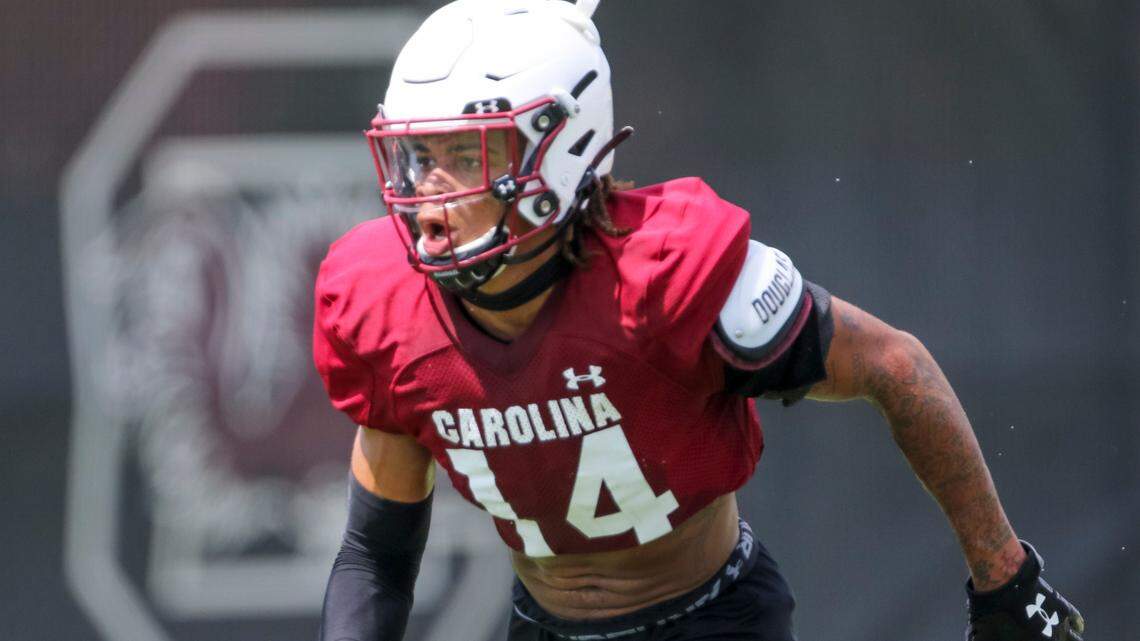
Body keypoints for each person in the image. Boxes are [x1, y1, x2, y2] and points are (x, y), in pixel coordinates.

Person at [312, 1, 1086, 639]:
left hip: (711, 618)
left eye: (465, 156)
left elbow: (895, 365)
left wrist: (1005, 577)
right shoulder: (388, 310)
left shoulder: (663, 275)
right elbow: (375, 555)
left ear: (560, 151)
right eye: (419, 157)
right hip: (540, 624)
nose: (429, 194)